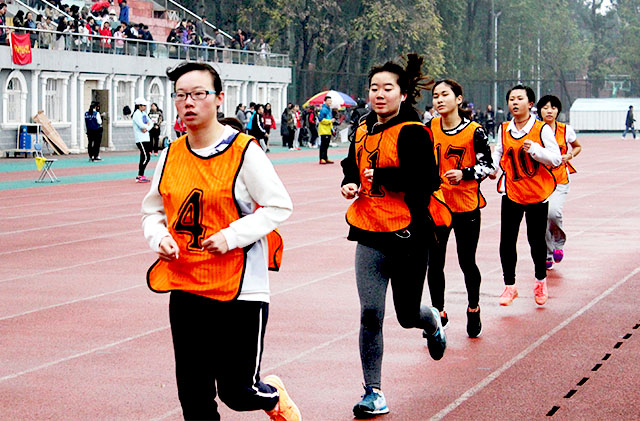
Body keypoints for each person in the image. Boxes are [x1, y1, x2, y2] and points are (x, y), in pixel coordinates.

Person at [141, 61, 300, 421]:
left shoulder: (244, 151)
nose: (189, 102)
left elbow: (279, 205)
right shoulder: (170, 154)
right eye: (181, 95)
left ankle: (273, 397)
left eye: (199, 94)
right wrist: (159, 237)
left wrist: (231, 236)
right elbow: (152, 211)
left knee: (237, 392)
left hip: (239, 287)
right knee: (193, 394)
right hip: (186, 281)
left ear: (218, 98)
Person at [340, 54, 447, 418]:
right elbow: (352, 165)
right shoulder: (362, 128)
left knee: (406, 315)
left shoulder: (414, 132)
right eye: (374, 88)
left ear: (403, 95)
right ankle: (373, 392)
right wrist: (349, 182)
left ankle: (430, 320)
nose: (379, 94)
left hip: (408, 237)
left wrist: (384, 178)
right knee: (371, 313)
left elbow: (427, 180)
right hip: (369, 232)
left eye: (388, 88)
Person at [425, 80, 494, 338]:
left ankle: (473, 307)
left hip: (466, 206)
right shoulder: (429, 128)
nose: (439, 100)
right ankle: (438, 313)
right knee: (435, 263)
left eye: (445, 95)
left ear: (458, 99)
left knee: (467, 261)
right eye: (435, 96)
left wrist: (464, 173)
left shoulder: (474, 132)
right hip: (438, 205)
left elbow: (488, 166)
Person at [490, 85, 562, 306]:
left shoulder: (541, 129)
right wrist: (493, 168)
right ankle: (509, 286)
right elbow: (499, 151)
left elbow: (556, 159)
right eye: (511, 99)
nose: (514, 102)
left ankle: (540, 281)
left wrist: (536, 150)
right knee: (507, 240)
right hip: (512, 191)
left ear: (530, 104)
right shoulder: (504, 128)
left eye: (519, 98)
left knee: (536, 240)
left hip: (536, 194)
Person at [536, 95, 582, 270]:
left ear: (558, 111)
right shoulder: (534, 130)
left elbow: (577, 146)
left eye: (553, 108)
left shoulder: (565, 130)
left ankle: (558, 241)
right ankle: (548, 254)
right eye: (545, 107)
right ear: (539, 110)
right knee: (542, 219)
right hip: (539, 181)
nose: (549, 111)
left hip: (560, 179)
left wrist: (569, 155)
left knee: (553, 213)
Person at [132, 97, 154, 183]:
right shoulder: (136, 114)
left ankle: (141, 175)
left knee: (145, 156)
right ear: (139, 106)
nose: (144, 107)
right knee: (146, 157)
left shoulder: (144, 114)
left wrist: (147, 128)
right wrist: (146, 126)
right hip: (140, 139)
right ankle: (140, 175)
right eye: (143, 105)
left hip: (146, 138)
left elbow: (151, 123)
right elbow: (141, 125)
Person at [317, 96, 335, 164]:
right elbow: (321, 120)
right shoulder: (323, 110)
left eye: (330, 100)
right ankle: (322, 158)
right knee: (323, 144)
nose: (330, 102)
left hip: (328, 129)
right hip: (324, 130)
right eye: (328, 100)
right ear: (325, 101)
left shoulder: (329, 109)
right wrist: (330, 121)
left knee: (326, 145)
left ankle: (325, 157)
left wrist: (332, 129)